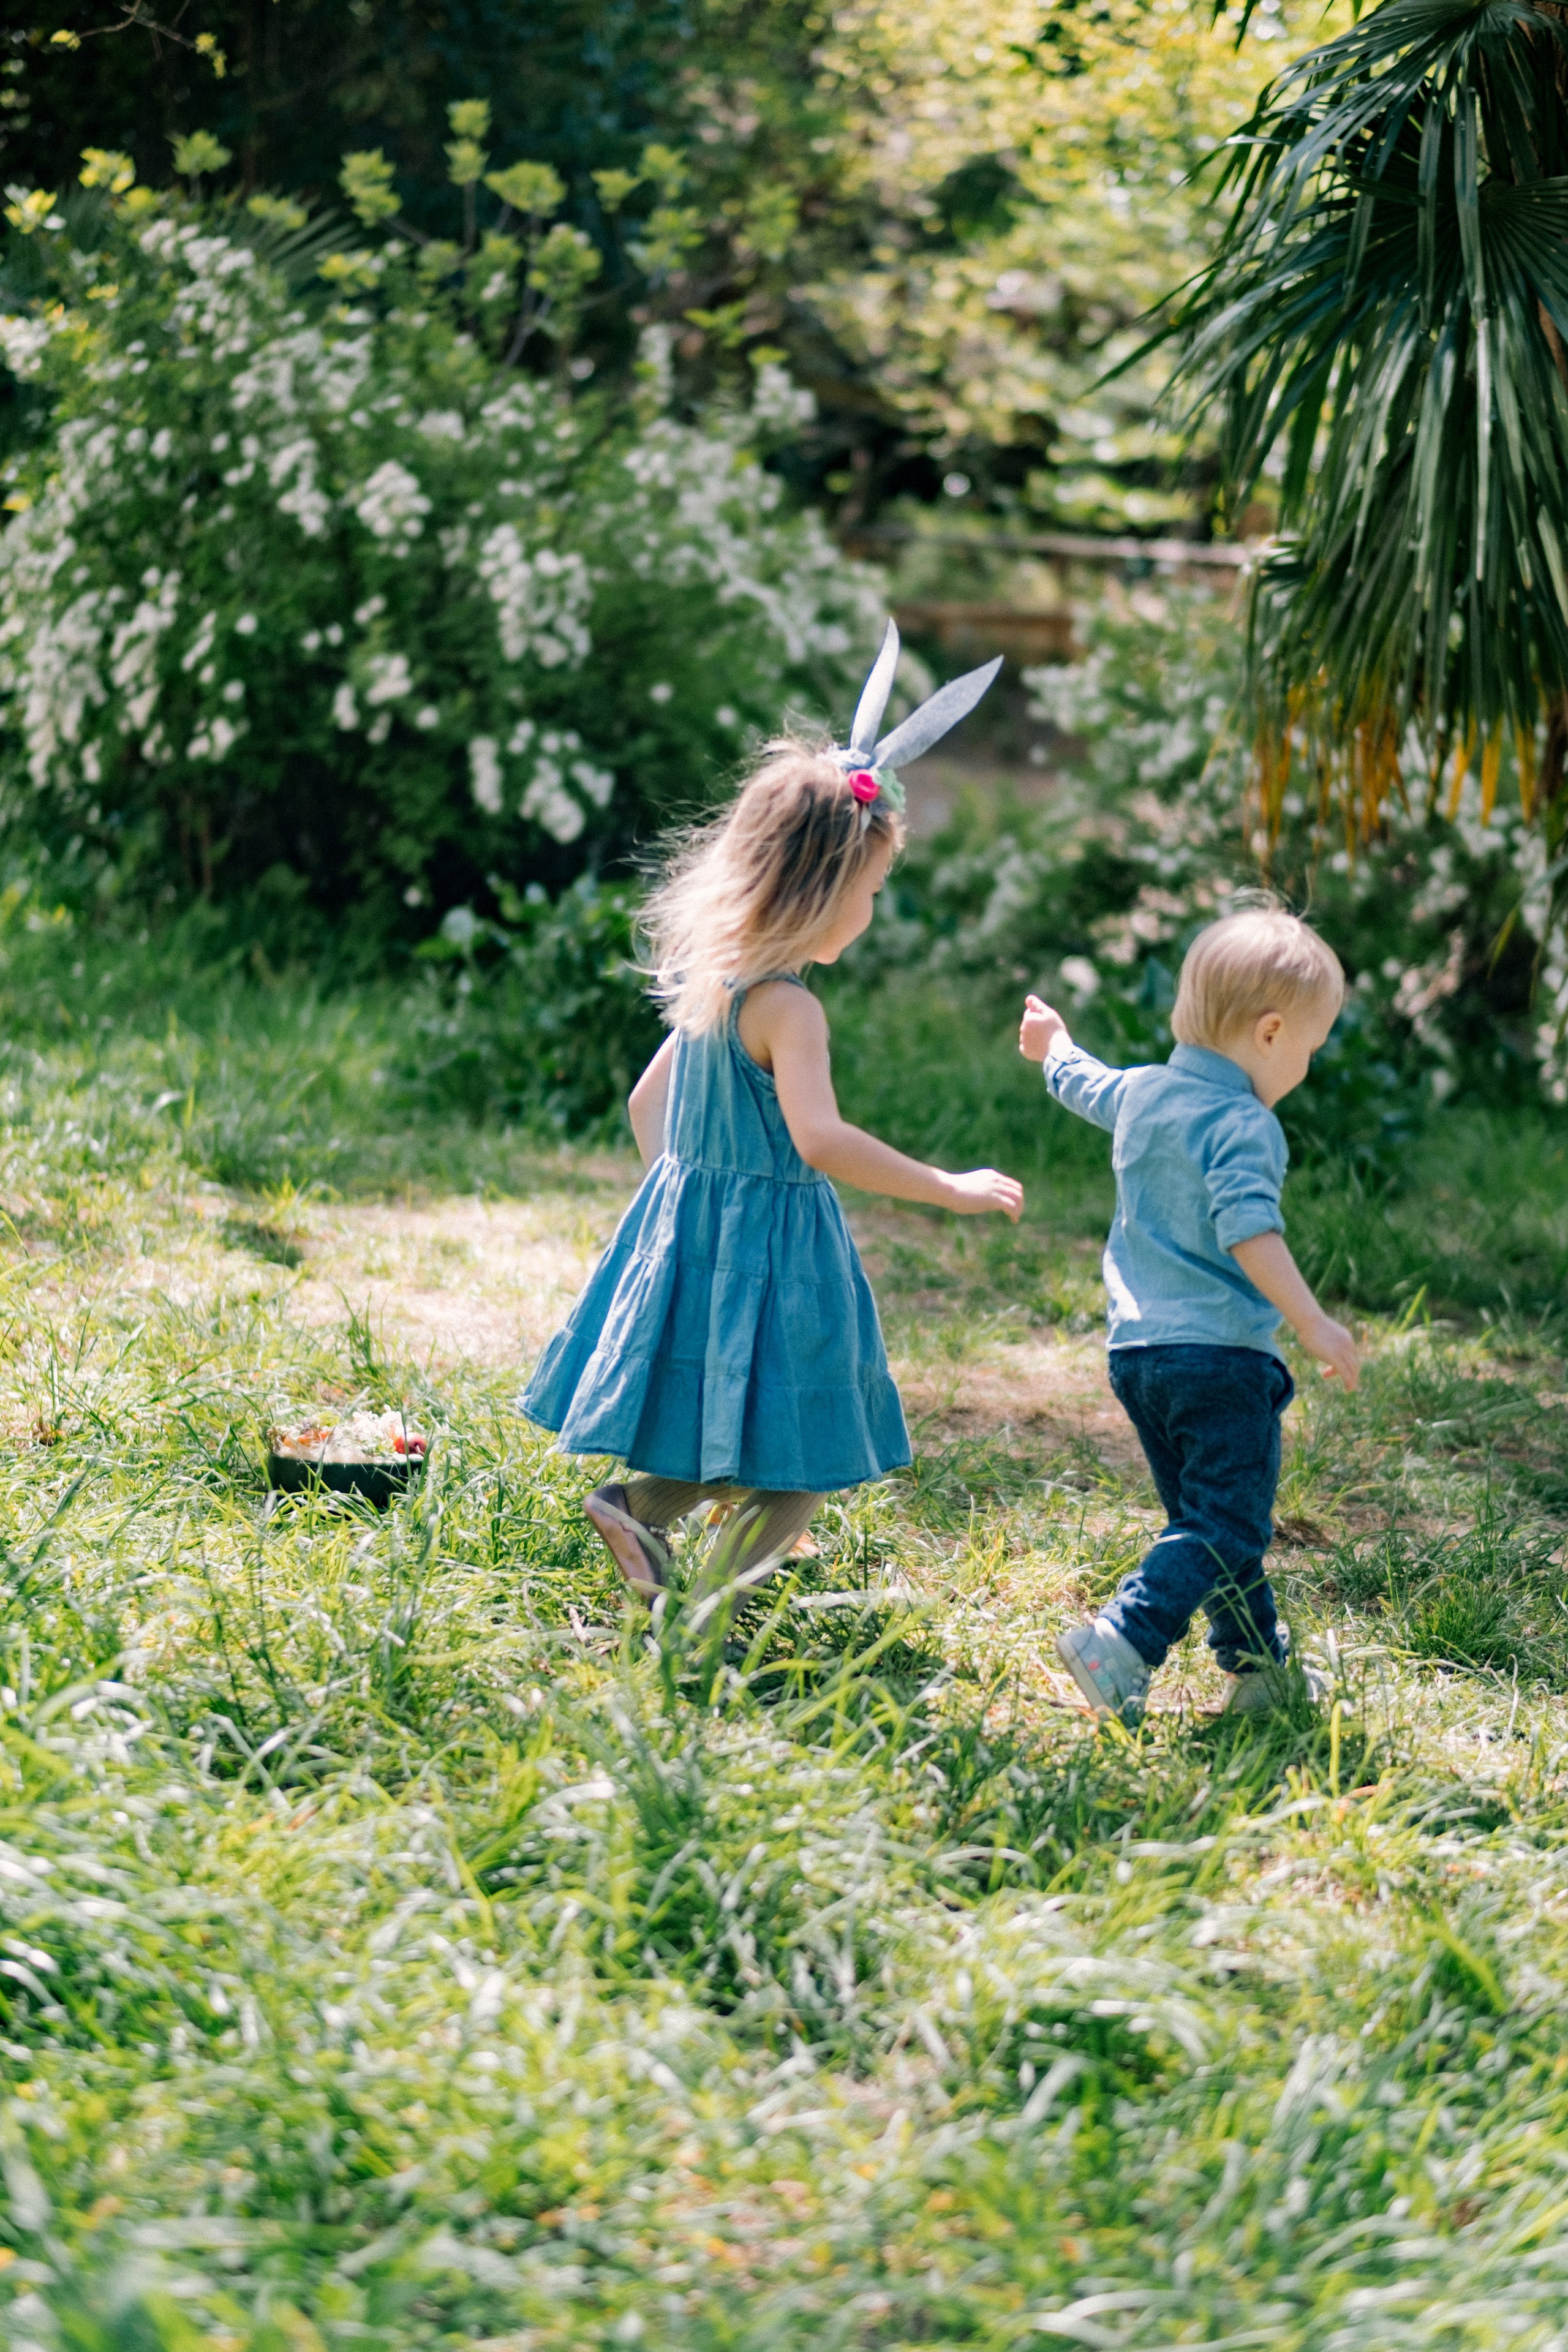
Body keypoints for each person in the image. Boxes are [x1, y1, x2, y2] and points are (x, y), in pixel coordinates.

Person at [523, 622, 1023, 1600]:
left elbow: (644, 1104)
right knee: (799, 1465)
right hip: (780, 1253)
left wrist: (689, 1202)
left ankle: (631, 1512)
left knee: (734, 1429)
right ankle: (698, 1611)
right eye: (872, 890)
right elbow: (822, 1139)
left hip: (699, 1233)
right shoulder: (791, 1009)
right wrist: (946, 1188)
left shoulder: (718, 986)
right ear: (825, 888)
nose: (875, 911)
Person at [1018, 903, 1359, 1721]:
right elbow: (1251, 1230)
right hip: (1223, 1360)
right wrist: (1313, 1321)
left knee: (1210, 1523)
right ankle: (1123, 1641)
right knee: (1227, 1521)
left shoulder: (1142, 1093)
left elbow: (1078, 1079)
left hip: (1138, 1356)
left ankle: (1259, 1670)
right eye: (1309, 1050)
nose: (1304, 1067)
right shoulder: (1245, 1123)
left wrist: (1053, 1043)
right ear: (1271, 1033)